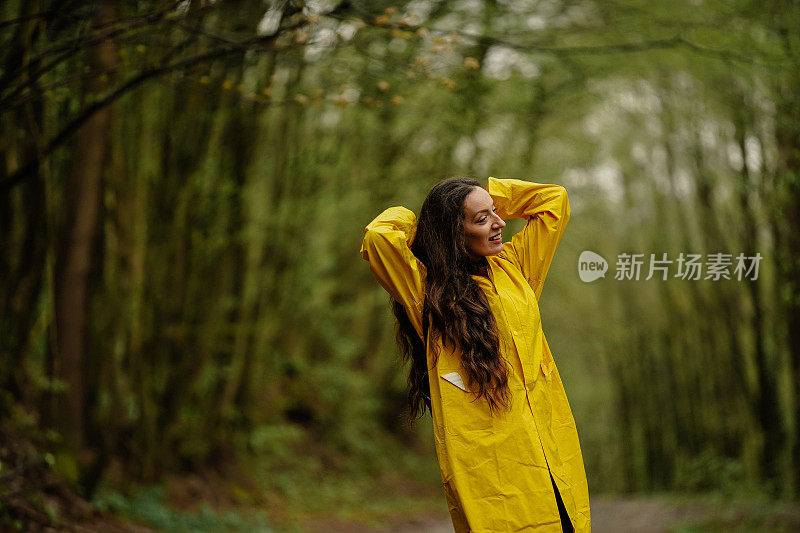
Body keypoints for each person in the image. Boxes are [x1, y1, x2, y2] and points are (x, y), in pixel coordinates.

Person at [360, 176, 590, 532]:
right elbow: (379, 237)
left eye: (496, 213)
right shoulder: (426, 292)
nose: (499, 224)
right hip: (491, 465)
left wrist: (487, 196)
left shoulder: (516, 268)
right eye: (481, 219)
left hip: (550, 446)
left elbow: (553, 202)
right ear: (453, 232)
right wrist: (427, 223)